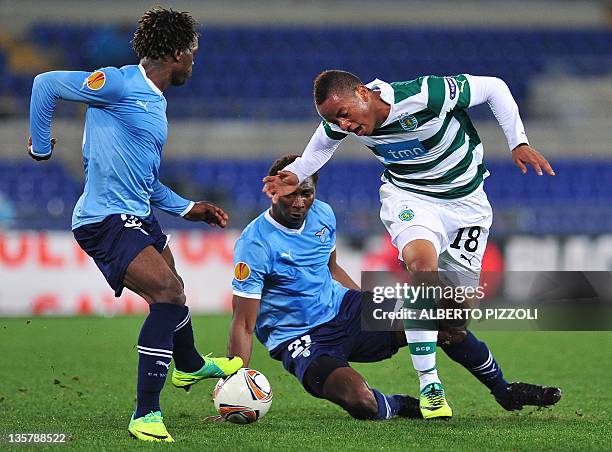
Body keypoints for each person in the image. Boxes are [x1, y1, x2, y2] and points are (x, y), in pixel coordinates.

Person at [262, 71, 560, 416]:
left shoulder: (424, 94)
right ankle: (430, 385)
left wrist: (518, 141)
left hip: (467, 207)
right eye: (333, 120)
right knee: (422, 267)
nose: (342, 124)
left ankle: (503, 390)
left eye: (344, 113)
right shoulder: (341, 125)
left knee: (455, 317)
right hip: (410, 199)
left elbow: (495, 87)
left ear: (362, 93)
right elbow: (317, 152)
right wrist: (294, 175)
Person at [28, 7, 242, 443]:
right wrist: (40, 145)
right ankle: (145, 413)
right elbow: (45, 83)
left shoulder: (155, 102)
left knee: (175, 287)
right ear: (178, 54)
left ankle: (188, 365)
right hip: (104, 219)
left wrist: (187, 208)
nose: (195, 63)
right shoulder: (120, 82)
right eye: (193, 54)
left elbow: (146, 181)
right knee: (166, 293)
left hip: (137, 212)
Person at [231, 154, 561, 422]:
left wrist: (362, 302)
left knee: (444, 317)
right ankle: (399, 405)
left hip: (344, 308)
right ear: (274, 191)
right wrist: (234, 381)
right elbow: (244, 323)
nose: (300, 202)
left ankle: (504, 390)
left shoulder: (323, 215)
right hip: (299, 337)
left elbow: (331, 267)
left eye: (307, 193)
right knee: (361, 402)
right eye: (291, 194)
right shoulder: (255, 244)